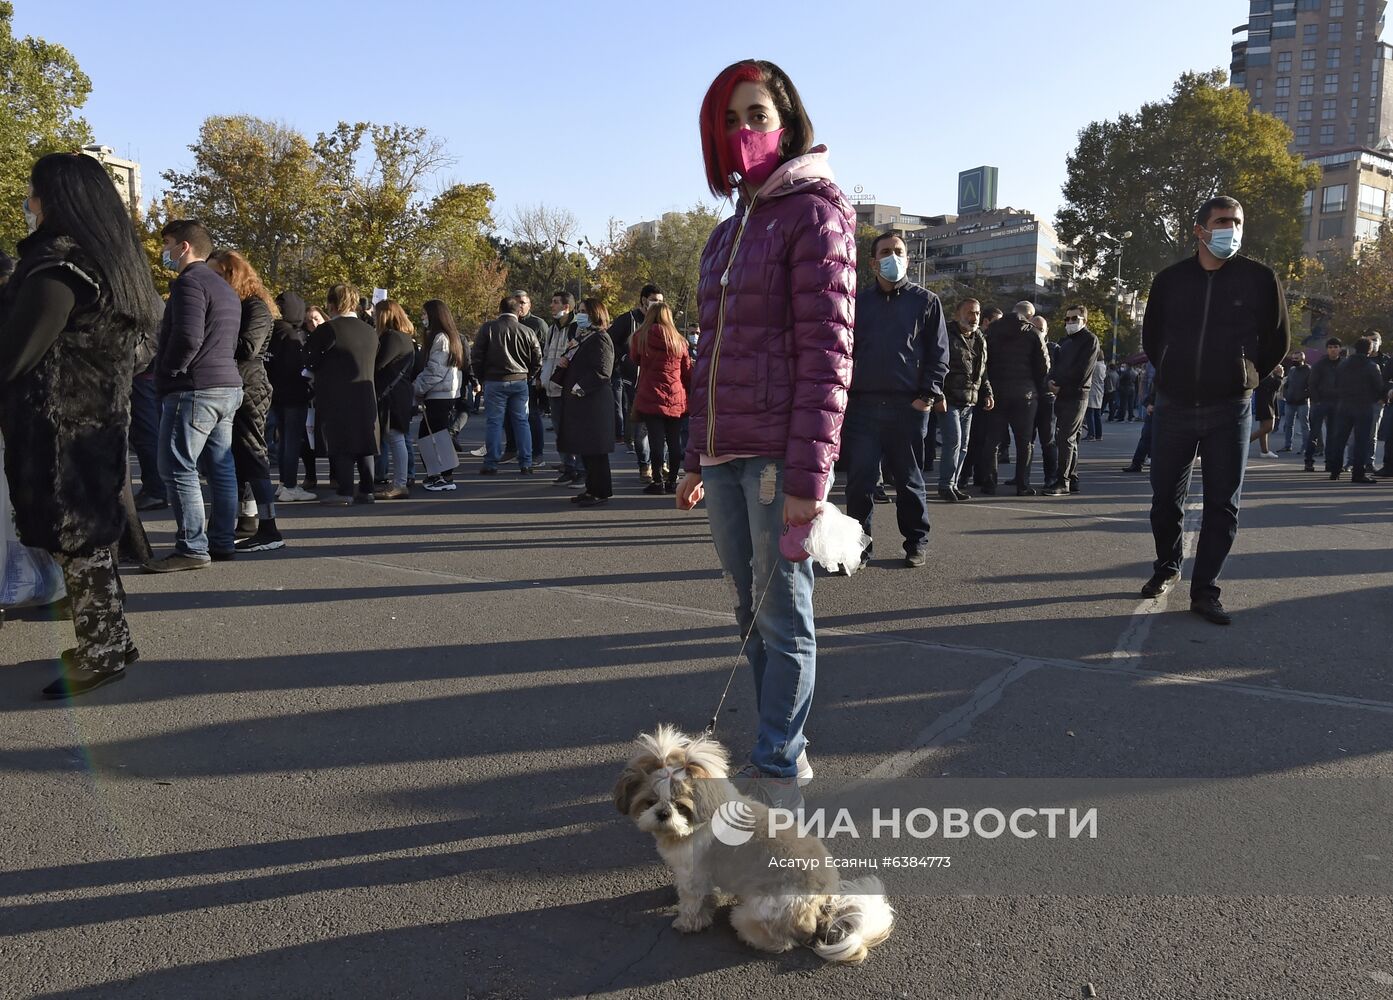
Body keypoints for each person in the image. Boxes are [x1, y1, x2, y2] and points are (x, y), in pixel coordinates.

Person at [676, 59, 855, 801]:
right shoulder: (725, 234)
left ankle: (779, 763)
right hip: (723, 457)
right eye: (730, 119)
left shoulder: (816, 212)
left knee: (782, 616)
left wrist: (809, 481)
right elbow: (709, 356)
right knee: (749, 613)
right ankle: (778, 746)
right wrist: (692, 456)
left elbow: (828, 353)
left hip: (777, 456)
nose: (744, 130)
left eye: (756, 114)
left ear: (786, 122)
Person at [0, 152, 162, 697]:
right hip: (95, 419)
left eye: (34, 192)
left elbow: (15, 354)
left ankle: (102, 649)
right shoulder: (110, 263)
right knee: (88, 533)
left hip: (58, 426)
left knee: (77, 538)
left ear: (57, 199)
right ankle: (109, 637)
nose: (30, 203)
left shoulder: (58, 266)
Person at [1140, 195, 1288, 625]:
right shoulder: (1170, 280)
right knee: (1165, 498)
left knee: (1223, 504)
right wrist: (1171, 368)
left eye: (1238, 222)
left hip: (1231, 406)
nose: (1232, 230)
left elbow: (1277, 339)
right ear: (1200, 230)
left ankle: (1206, 590)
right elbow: (1153, 336)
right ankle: (1167, 567)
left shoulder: (1260, 279)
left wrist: (1244, 375)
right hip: (1175, 404)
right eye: (1223, 221)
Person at [843, 232, 947, 569]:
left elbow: (939, 354)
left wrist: (926, 396)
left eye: (899, 252)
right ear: (872, 262)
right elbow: (844, 352)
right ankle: (859, 547)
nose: (893, 257)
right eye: (885, 252)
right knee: (859, 483)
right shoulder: (857, 303)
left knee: (909, 480)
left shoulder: (926, 302)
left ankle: (916, 542)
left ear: (908, 258)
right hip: (863, 407)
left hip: (908, 407)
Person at [144, 219, 243, 571]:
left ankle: (191, 547)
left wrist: (167, 371)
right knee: (220, 467)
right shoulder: (224, 287)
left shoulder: (188, 283)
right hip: (226, 385)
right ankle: (221, 541)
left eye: (167, 242)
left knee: (176, 466)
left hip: (194, 387)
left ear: (184, 246)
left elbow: (187, 337)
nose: (164, 251)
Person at [206, 250, 284, 553]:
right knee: (236, 455)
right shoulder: (240, 305)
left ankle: (269, 528)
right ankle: (248, 520)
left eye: (216, 274)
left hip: (249, 384)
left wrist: (213, 333)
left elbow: (249, 347)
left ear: (232, 274)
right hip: (238, 381)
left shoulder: (255, 306)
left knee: (252, 453)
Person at [307, 283, 380, 506]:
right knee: (366, 442)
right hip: (366, 393)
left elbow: (310, 361)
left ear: (331, 304)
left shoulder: (327, 330)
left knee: (341, 443)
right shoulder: (370, 331)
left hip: (337, 394)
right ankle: (367, 489)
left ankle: (345, 490)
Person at [978, 300, 1049, 496]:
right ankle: (1022, 485)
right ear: (1029, 316)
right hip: (1025, 394)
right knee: (1024, 442)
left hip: (997, 392)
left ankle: (989, 483)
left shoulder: (992, 330)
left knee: (992, 441)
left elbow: (983, 361)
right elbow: (1044, 366)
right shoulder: (1033, 332)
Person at [552, 297, 616, 506]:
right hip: (583, 403)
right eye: (579, 310)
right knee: (587, 450)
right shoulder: (584, 337)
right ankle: (591, 489)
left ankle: (600, 490)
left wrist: (580, 388)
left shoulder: (600, 338)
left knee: (596, 451)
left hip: (593, 403)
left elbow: (603, 370)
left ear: (595, 314)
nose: (579, 315)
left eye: (583, 311)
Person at [472, 295, 542, 475]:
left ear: (500, 309)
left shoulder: (488, 329)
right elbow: (537, 359)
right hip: (520, 380)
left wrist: (481, 378)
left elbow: (477, 356)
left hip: (494, 380)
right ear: (518, 311)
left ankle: (491, 462)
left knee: (494, 422)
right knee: (521, 421)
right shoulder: (527, 331)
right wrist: (529, 376)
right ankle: (526, 462)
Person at [630, 300, 692, 496]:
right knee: (674, 441)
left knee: (656, 441)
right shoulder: (679, 340)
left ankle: (657, 481)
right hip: (675, 395)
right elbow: (687, 371)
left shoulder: (641, 337)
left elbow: (634, 359)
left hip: (651, 394)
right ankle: (673, 480)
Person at [1043, 305, 1101, 497]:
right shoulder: (1065, 341)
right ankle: (1072, 477)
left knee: (1065, 438)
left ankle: (1063, 481)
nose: (1069, 322)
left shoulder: (1090, 340)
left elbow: (1082, 371)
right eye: (1067, 319)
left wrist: (1060, 385)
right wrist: (1051, 381)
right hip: (1062, 394)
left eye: (1074, 318)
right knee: (1071, 438)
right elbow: (1056, 365)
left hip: (1076, 395)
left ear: (1084, 320)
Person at [938, 298, 992, 503]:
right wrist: (937, 394)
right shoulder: (945, 335)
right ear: (957, 314)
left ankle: (953, 483)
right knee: (953, 442)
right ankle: (945, 485)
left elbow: (983, 370)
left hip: (970, 399)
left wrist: (987, 393)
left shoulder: (979, 337)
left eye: (977, 313)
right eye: (969, 312)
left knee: (963, 446)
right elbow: (937, 365)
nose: (974, 317)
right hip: (949, 398)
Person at [608, 285, 663, 482]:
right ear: (643, 300)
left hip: (660, 382)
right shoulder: (628, 320)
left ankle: (661, 462)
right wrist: (623, 358)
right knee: (641, 428)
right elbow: (610, 341)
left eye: (660, 300)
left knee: (660, 427)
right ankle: (644, 465)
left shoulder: (663, 321)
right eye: (654, 300)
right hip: (635, 381)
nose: (657, 304)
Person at [415, 298, 470, 491]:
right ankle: (444, 476)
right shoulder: (450, 337)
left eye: (424, 314)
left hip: (438, 394)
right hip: (446, 393)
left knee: (429, 436)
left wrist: (417, 388)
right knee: (439, 436)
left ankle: (439, 477)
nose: (422, 318)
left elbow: (434, 371)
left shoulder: (440, 338)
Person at [267, 292, 316, 500]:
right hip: (294, 395)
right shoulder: (291, 336)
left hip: (275, 394)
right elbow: (298, 368)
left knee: (283, 440)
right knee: (292, 442)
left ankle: (283, 483)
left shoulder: (272, 332)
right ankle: (290, 485)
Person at [370, 300, 418, 499]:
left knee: (395, 438)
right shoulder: (405, 337)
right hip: (400, 392)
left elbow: (377, 364)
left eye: (376, 313)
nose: (373, 316)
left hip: (392, 395)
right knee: (397, 438)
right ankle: (399, 481)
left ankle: (399, 483)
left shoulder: (391, 337)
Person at [1325, 335, 1384, 483]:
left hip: (1344, 405)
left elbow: (1336, 384)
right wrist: (1374, 398)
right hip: (1363, 406)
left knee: (1340, 439)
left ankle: (1334, 470)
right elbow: (1379, 388)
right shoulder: (1371, 366)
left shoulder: (1343, 365)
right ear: (1369, 350)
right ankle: (1358, 473)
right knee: (1361, 440)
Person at [542, 291, 583, 486]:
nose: (552, 306)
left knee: (575, 430)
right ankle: (568, 467)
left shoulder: (576, 327)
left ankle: (582, 470)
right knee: (560, 431)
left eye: (556, 302)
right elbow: (547, 355)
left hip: (569, 388)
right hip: (553, 386)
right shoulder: (551, 329)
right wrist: (543, 378)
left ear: (567, 307)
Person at [1030, 315, 1059, 490]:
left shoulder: (1054, 349)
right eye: (1033, 328)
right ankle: (1022, 477)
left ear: (1046, 331)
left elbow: (1058, 371)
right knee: (1026, 440)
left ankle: (1051, 476)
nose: (1037, 332)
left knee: (1048, 440)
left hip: (1047, 400)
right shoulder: (1025, 347)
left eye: (1040, 329)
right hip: (1028, 398)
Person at [1277, 350, 1311, 454]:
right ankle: (1288, 445)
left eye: (1297, 358)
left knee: (1304, 425)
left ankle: (1305, 447)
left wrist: (1304, 395)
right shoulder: (1292, 370)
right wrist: (1287, 394)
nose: (1294, 360)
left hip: (1303, 402)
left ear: (1302, 359)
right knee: (1288, 425)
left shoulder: (1308, 370)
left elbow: (1311, 386)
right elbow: (1287, 384)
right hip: (1290, 401)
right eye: (1293, 358)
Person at [1249, 364, 1283, 459]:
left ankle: (1265, 451)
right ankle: (1245, 442)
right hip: (1265, 401)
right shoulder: (1264, 373)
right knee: (1268, 427)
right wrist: (1280, 375)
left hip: (1268, 400)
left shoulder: (1266, 372)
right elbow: (1276, 386)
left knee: (1264, 428)